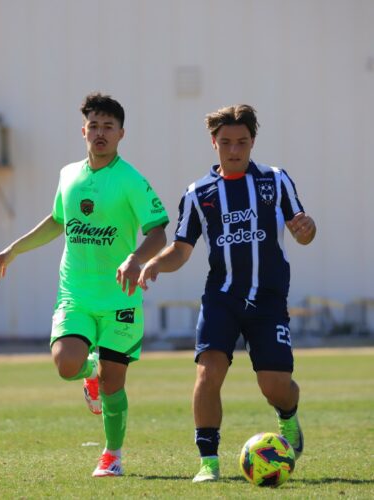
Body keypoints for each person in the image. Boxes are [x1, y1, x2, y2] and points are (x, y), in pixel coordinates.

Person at [0, 92, 168, 478]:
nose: (100, 133)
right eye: (94, 126)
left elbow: (159, 233)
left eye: (108, 127)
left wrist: (136, 259)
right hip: (76, 294)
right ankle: (90, 373)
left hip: (120, 296)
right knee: (65, 364)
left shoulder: (131, 180)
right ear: (83, 130)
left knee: (115, 384)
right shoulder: (68, 174)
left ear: (121, 133)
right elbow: (57, 221)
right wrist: (14, 249)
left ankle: (112, 455)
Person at [138, 104, 316, 482]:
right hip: (221, 297)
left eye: (242, 142)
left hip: (268, 300)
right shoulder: (198, 192)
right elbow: (181, 249)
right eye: (226, 143)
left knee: (275, 386)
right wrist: (155, 263)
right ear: (213, 143)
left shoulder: (275, 180)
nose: (234, 150)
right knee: (208, 373)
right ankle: (209, 461)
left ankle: (288, 415)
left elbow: (303, 231)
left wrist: (306, 228)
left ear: (253, 141)